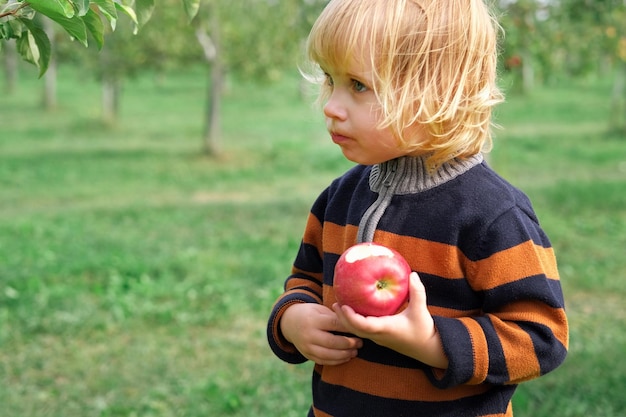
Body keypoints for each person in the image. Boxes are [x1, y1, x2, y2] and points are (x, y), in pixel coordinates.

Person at [266, 0, 569, 416]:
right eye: (329, 79)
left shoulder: (490, 214)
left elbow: (540, 338)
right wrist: (292, 320)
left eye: (357, 85)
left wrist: (429, 341)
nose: (331, 106)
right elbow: (305, 280)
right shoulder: (339, 199)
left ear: (438, 91)